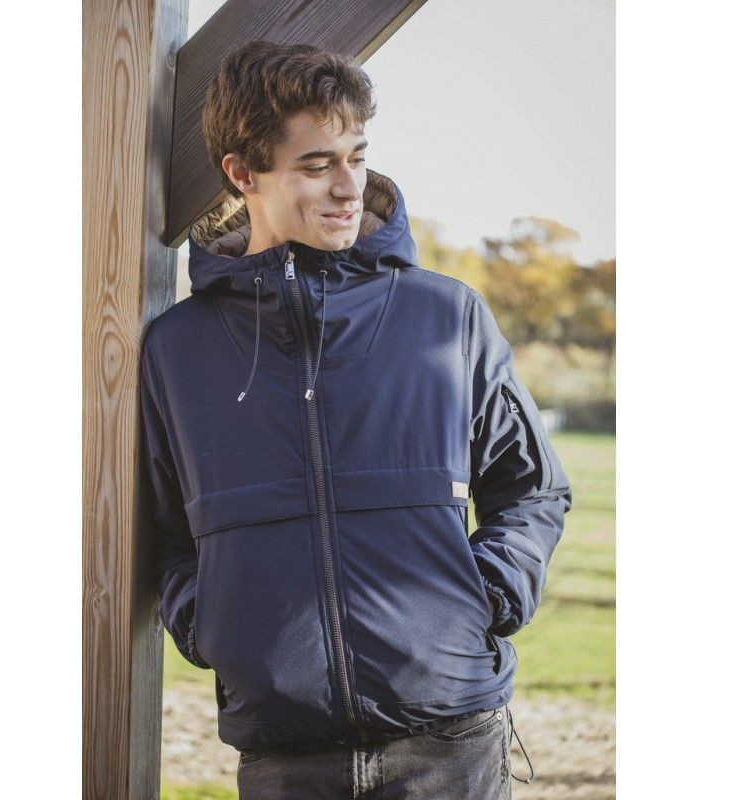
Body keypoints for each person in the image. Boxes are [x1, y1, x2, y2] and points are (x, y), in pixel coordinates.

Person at [139, 40, 572, 800]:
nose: (349, 187)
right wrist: (212, 627)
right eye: (316, 166)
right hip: (284, 756)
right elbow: (164, 529)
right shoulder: (179, 349)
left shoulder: (446, 317)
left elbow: (532, 488)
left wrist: (484, 596)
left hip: (449, 748)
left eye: (357, 157)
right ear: (243, 173)